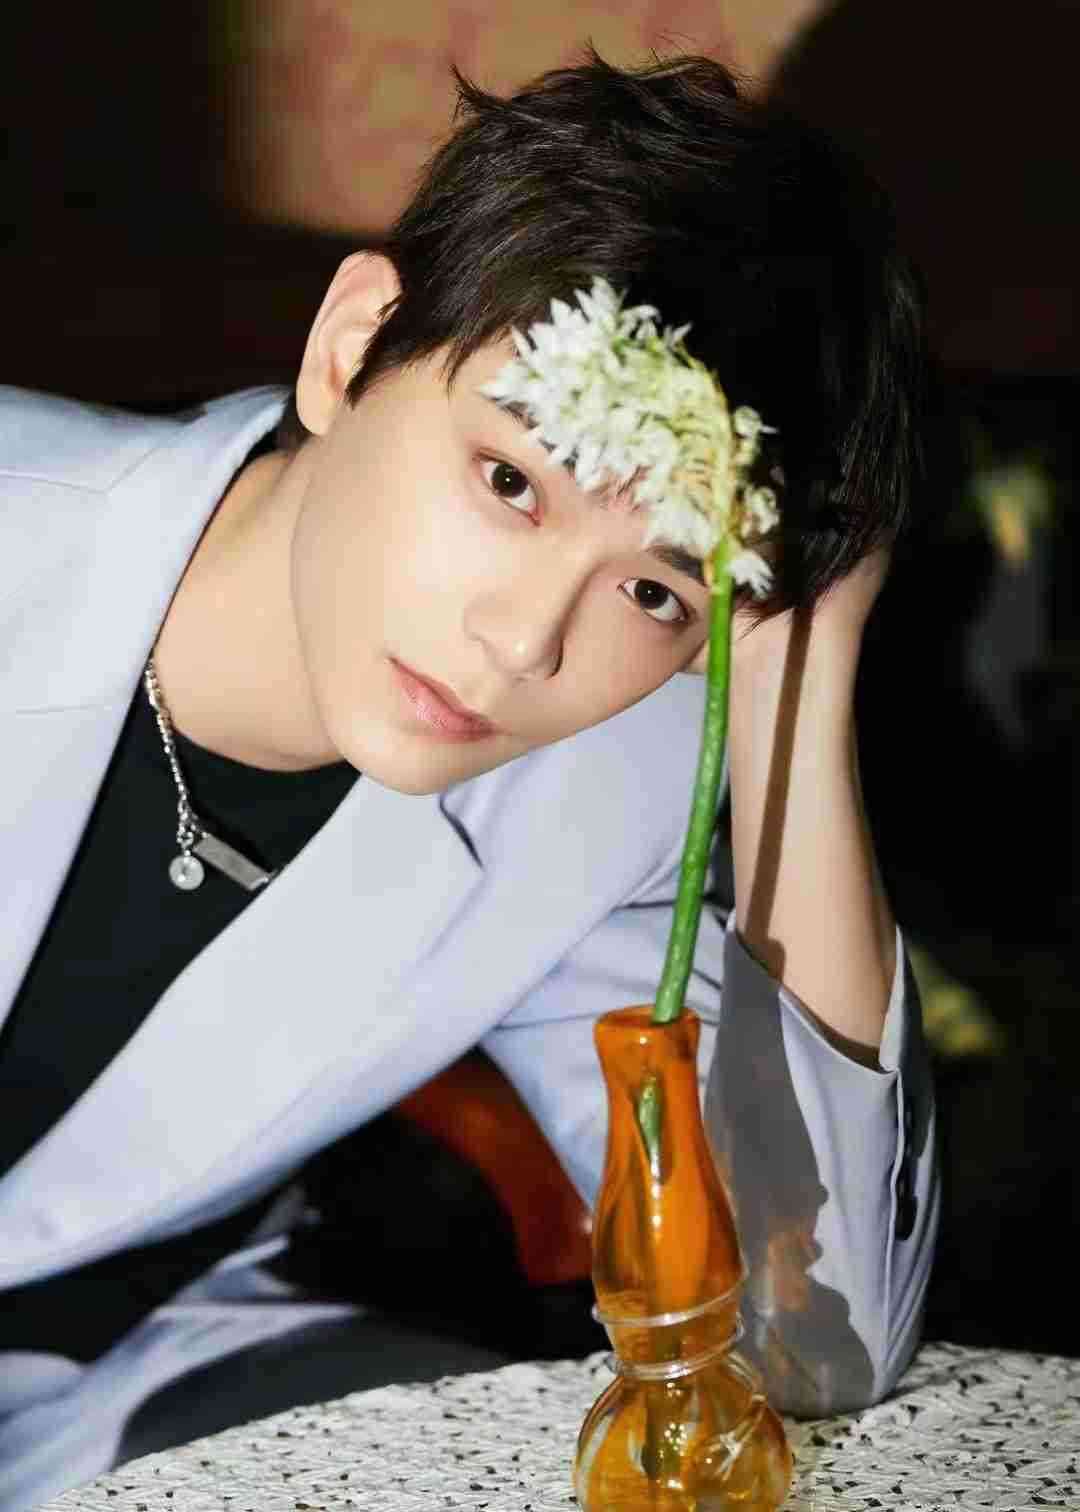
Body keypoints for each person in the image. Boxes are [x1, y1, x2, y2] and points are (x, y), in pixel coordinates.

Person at [0, 51, 939, 1509]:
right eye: (511, 482)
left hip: (122, 1385)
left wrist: (795, 685)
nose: (525, 644)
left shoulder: (605, 791)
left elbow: (801, 1344)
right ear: (351, 348)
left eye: (655, 591)